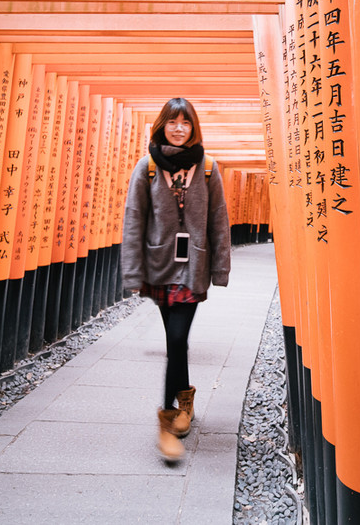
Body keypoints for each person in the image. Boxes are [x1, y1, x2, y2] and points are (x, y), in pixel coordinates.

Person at [121, 97, 231, 462]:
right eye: (173, 122)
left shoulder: (209, 168)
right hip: (160, 267)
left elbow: (219, 221)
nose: (179, 128)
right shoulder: (148, 166)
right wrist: (133, 272)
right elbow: (134, 219)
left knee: (178, 339)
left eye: (185, 122)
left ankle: (168, 421)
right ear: (162, 125)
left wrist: (221, 270)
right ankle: (185, 399)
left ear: (193, 127)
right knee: (176, 342)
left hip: (193, 268)